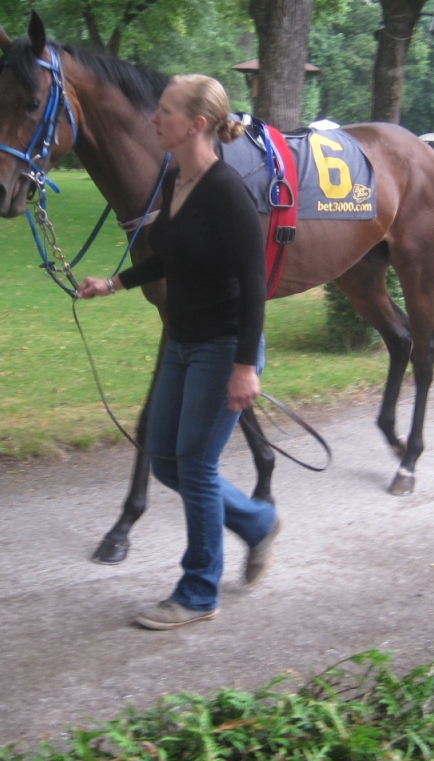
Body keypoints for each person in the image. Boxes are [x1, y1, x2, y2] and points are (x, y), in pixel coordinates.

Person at [77, 74, 279, 631]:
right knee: (164, 459)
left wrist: (244, 366)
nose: (152, 118)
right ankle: (257, 521)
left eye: (163, 111)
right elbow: (169, 255)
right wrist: (113, 284)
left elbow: (255, 284)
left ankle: (198, 590)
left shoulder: (226, 191)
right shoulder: (173, 180)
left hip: (223, 348)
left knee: (195, 466)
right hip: (183, 344)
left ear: (195, 124)